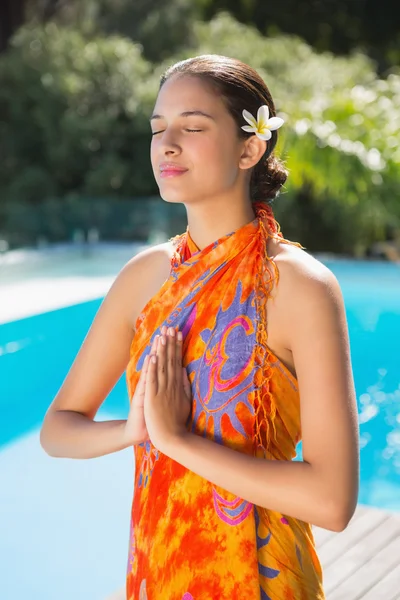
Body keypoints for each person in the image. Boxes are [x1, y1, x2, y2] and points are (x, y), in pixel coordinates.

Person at [40, 54, 360, 599]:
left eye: (192, 127)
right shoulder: (144, 277)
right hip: (159, 571)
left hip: (263, 582)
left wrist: (175, 440)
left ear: (249, 148)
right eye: (158, 128)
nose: (167, 144)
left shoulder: (299, 287)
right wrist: (132, 432)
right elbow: (58, 429)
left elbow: (332, 502)